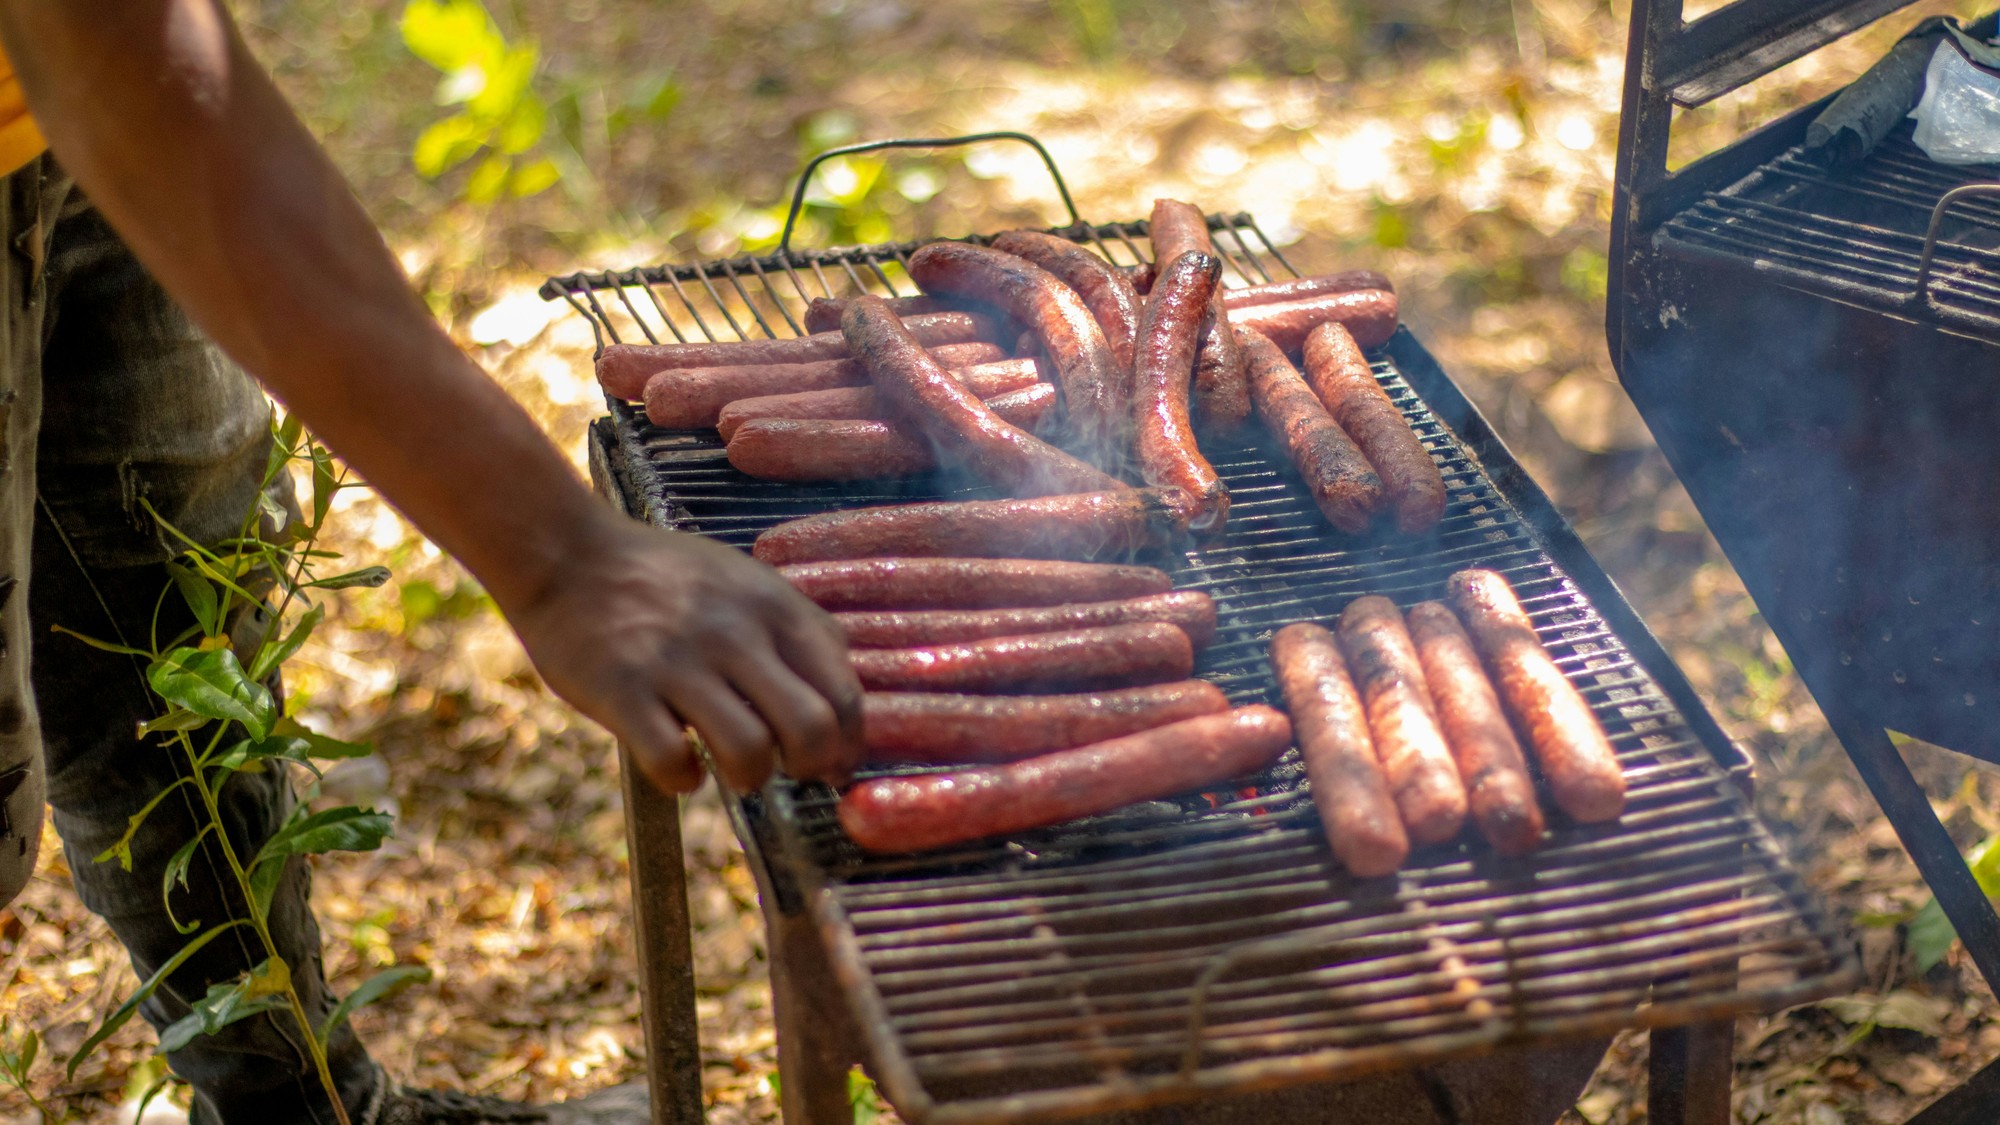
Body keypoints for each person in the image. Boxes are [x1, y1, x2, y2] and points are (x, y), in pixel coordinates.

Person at [0, 2, 865, 1123]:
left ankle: (306, 1111)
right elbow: (120, 43)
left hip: (45, 114)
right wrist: (559, 559)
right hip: (86, 66)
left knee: (174, 607)